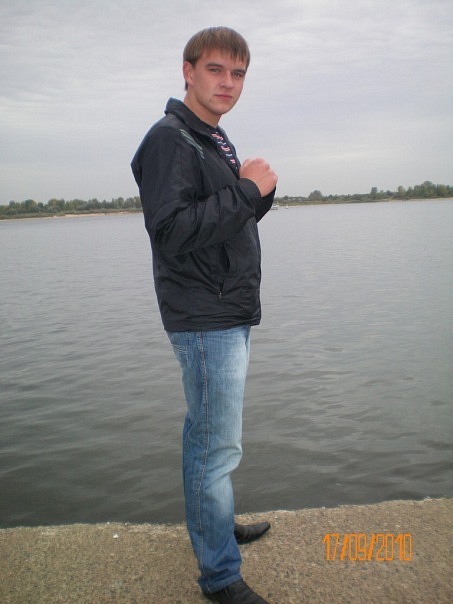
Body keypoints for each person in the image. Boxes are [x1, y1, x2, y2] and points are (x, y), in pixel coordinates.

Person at [131, 26, 277, 604]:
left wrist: (255, 196)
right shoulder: (170, 140)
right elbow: (170, 232)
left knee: (213, 437)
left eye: (238, 73)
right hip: (204, 315)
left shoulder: (210, 139)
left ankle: (217, 524)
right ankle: (219, 576)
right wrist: (244, 192)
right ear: (188, 72)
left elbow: (217, 226)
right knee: (215, 446)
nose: (228, 83)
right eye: (216, 69)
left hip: (225, 307)